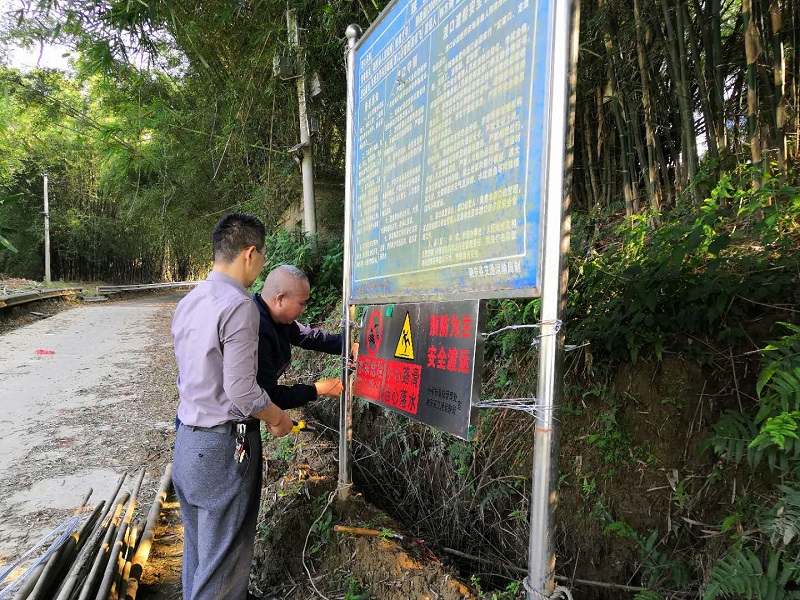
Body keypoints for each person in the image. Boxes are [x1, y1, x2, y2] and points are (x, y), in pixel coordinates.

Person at [171, 213, 293, 600]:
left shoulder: (190, 301)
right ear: (250, 253)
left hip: (187, 442)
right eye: (262, 258)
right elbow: (241, 389)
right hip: (226, 449)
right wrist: (276, 417)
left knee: (200, 553)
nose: (260, 267)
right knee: (223, 562)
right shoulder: (239, 305)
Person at [253, 264, 345, 408]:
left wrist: (348, 344)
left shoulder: (277, 319)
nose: (304, 309)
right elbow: (268, 397)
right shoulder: (255, 330)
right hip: (228, 421)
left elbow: (308, 337)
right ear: (280, 299)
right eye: (301, 303)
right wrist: (317, 389)